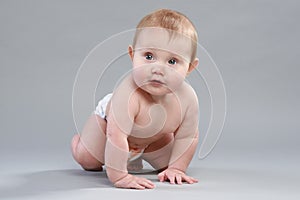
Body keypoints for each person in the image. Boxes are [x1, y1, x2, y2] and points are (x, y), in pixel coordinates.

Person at [71, 8, 200, 189]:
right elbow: (115, 135)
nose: (158, 69)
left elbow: (188, 136)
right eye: (149, 56)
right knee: (88, 160)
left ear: (189, 68)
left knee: (166, 166)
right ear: (132, 55)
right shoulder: (127, 94)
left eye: (172, 61)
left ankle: (136, 157)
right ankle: (79, 143)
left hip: (152, 138)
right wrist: (120, 177)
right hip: (109, 126)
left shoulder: (188, 99)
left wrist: (177, 168)